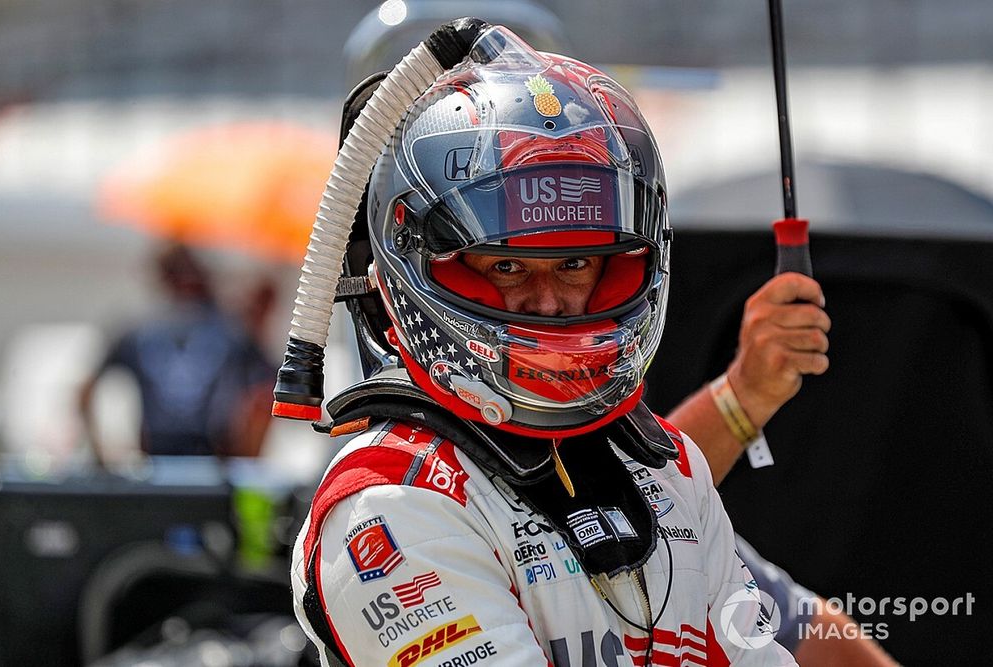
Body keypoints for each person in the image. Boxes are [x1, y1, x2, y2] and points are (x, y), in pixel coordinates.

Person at [291, 27, 799, 665]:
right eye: (507, 267)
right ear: (426, 265)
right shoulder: (392, 502)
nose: (549, 302)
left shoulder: (671, 468)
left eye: (577, 263)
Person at [668, 273, 899, 665]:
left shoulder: (693, 541)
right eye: (521, 270)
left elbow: (817, 636)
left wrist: (746, 391)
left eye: (574, 266)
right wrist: (744, 392)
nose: (549, 305)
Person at [79, 242, 274, 463]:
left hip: (163, 460)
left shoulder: (137, 329)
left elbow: (84, 391)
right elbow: (271, 389)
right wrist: (250, 457)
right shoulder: (230, 328)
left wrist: (100, 457)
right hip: (210, 462)